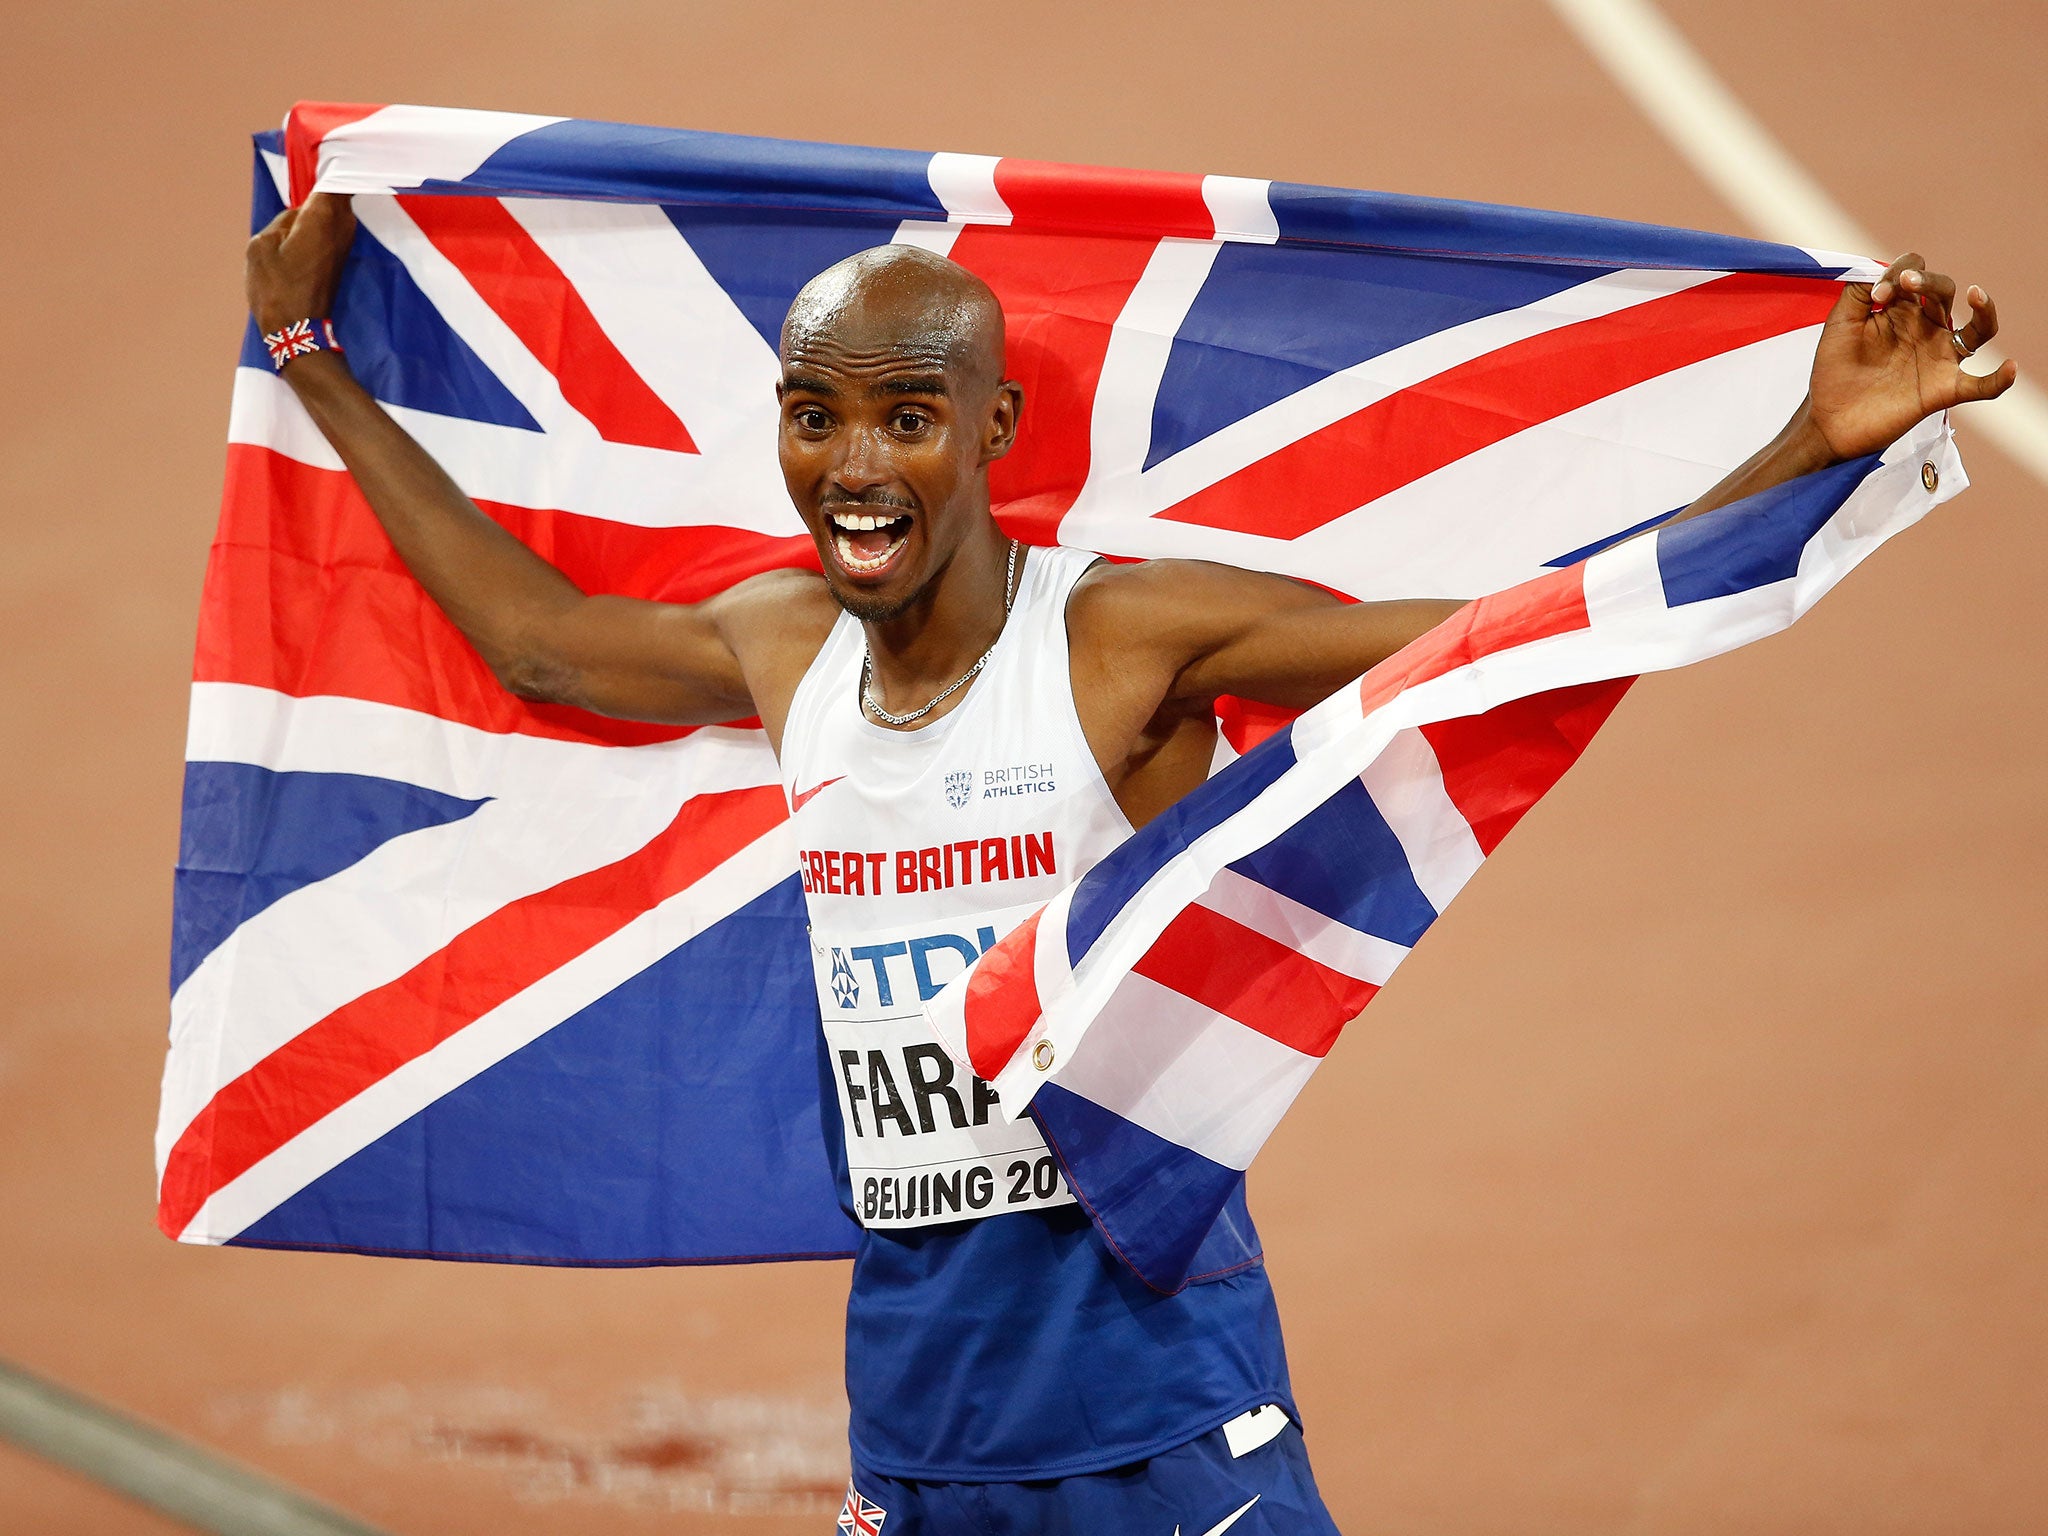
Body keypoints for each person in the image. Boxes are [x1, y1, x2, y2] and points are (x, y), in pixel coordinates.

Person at [245, 191, 2012, 1533]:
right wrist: (309, 356)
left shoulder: (1123, 643)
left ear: (993, 432)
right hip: (923, 1397)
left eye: (906, 418)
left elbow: (1502, 635)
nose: (853, 466)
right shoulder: (783, 645)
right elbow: (543, 644)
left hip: (1156, 1380)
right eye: (814, 414)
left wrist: (1805, 443)